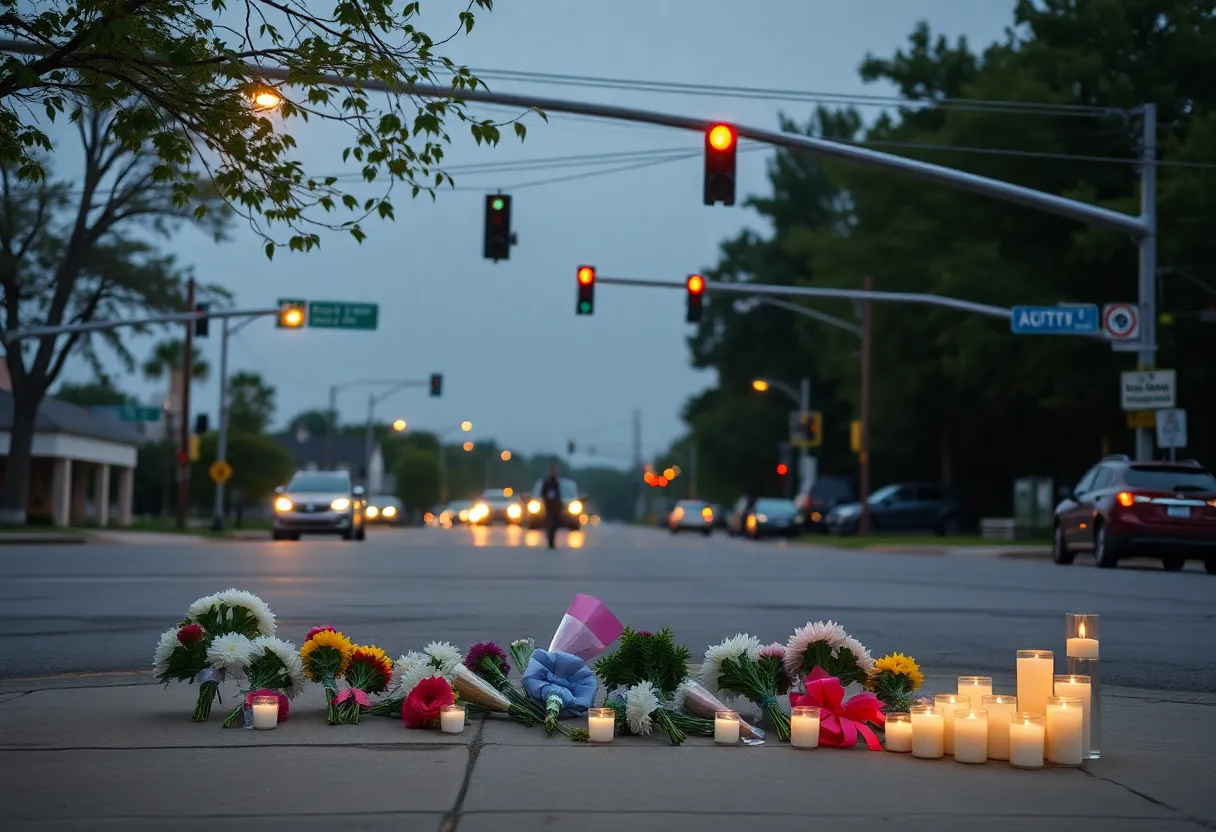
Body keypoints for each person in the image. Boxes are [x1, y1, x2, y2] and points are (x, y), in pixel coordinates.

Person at [541, 463, 564, 549]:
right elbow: (543, 493)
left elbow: (558, 494)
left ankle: (552, 540)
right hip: (550, 506)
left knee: (555, 523)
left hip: (556, 506)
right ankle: (550, 541)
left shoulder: (556, 481)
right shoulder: (548, 481)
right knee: (550, 523)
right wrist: (547, 499)